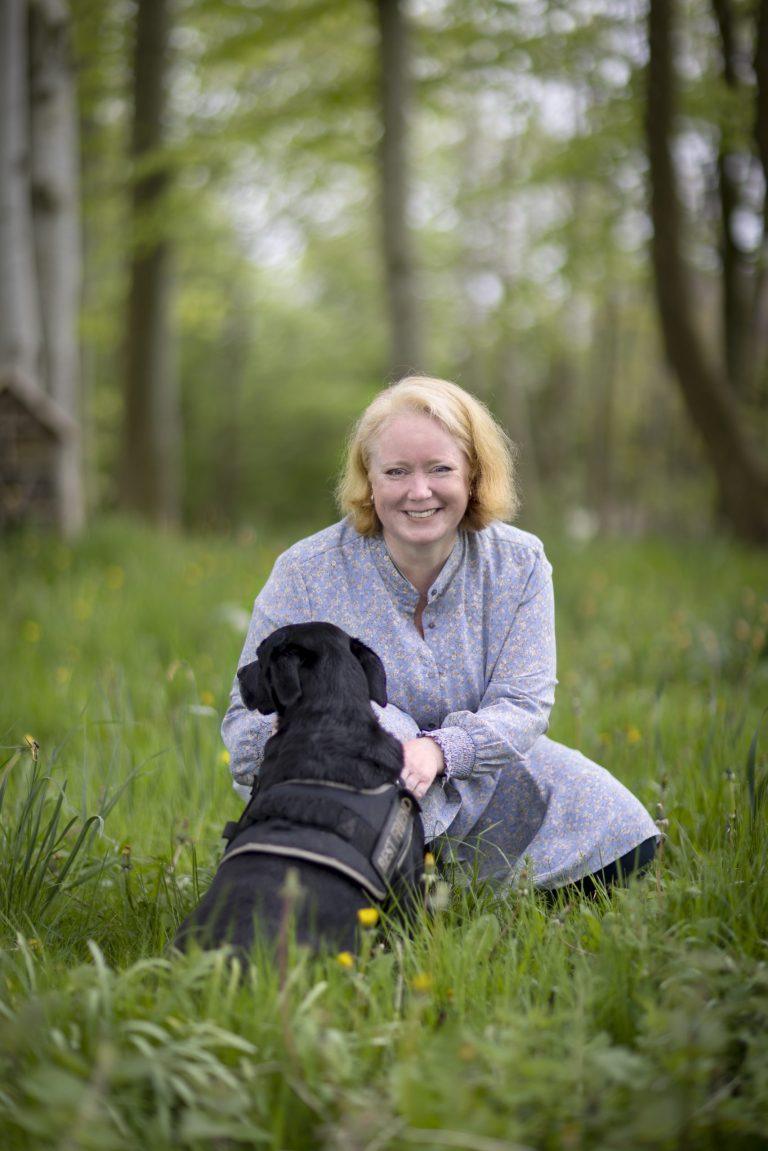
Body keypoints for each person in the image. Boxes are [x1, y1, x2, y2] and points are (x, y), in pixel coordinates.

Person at [222, 376, 659, 892]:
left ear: (473, 474)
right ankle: (396, 879)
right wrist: (373, 738)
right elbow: (245, 724)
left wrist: (440, 751)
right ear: (369, 479)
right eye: (396, 471)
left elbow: (523, 705)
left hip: (480, 774)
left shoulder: (519, 564)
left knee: (624, 837)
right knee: (382, 739)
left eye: (440, 469)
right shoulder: (306, 572)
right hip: (349, 786)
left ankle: (466, 881)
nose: (419, 491)